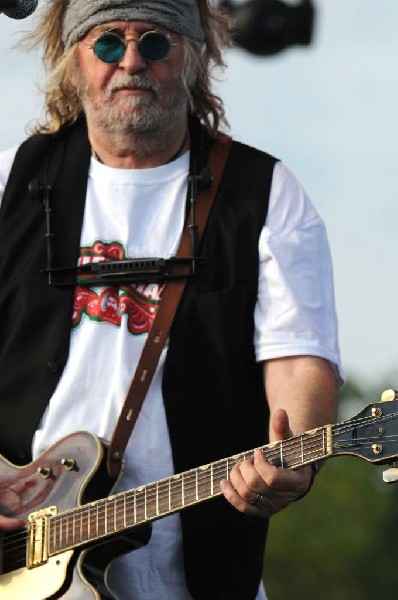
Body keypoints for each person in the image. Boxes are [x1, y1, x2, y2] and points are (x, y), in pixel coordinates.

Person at [0, 0, 343, 598]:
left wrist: (296, 455)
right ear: (75, 59)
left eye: (155, 43)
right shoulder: (9, 184)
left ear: (192, 58)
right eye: (108, 43)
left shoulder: (264, 192)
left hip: (199, 572)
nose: (131, 61)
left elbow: (298, 357)